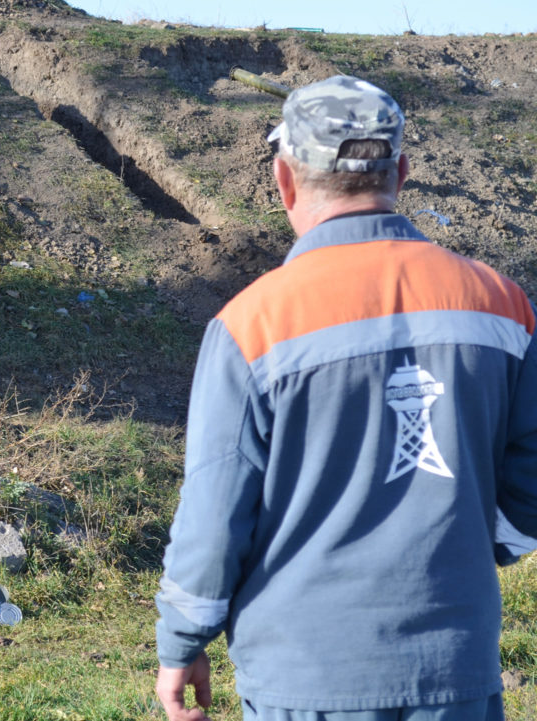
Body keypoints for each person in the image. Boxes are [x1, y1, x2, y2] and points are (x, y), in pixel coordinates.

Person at [154, 75, 537, 721]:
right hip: (456, 668)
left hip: (303, 677)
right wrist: (478, 545)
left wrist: (183, 638)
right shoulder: (501, 305)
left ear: (284, 180)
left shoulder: (252, 325)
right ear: (403, 171)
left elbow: (214, 517)